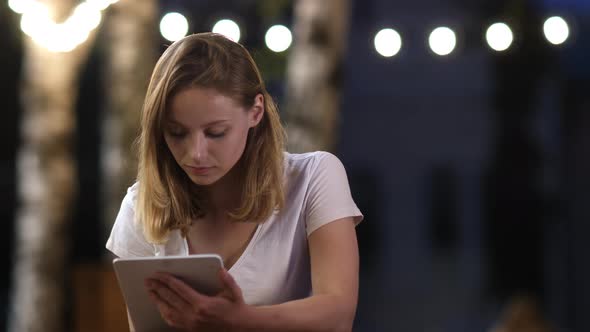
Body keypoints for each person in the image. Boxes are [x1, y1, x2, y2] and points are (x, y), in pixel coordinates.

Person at [106, 32, 363, 332]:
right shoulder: (143, 205)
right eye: (176, 132)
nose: (196, 153)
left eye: (215, 132)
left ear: (256, 112)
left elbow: (338, 313)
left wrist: (239, 320)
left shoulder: (314, 177)